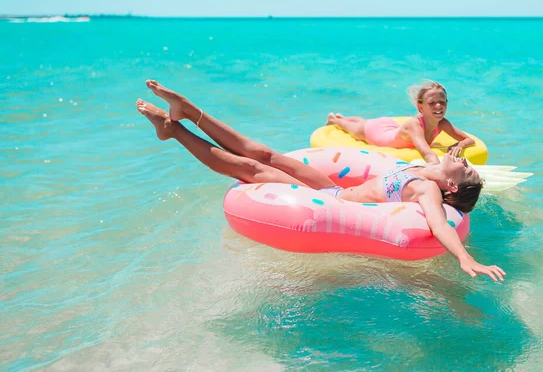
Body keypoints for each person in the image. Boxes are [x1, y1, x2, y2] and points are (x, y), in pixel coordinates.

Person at [137, 80, 505, 282]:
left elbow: (439, 223)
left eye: (467, 170)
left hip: (332, 201)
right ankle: (189, 111)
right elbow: (452, 156)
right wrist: (454, 155)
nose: (466, 163)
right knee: (266, 154)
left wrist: (464, 258)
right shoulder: (432, 171)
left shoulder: (427, 188)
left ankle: (176, 131)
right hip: (332, 188)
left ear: (451, 188)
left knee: (249, 169)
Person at [325, 81, 475, 164]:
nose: (438, 106)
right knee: (354, 129)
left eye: (442, 102)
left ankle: (345, 118)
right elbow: (427, 153)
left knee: (363, 123)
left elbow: (468, 140)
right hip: (376, 133)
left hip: (390, 126)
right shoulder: (414, 125)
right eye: (432, 103)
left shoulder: (443, 123)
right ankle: (335, 119)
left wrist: (459, 145)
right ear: (420, 107)